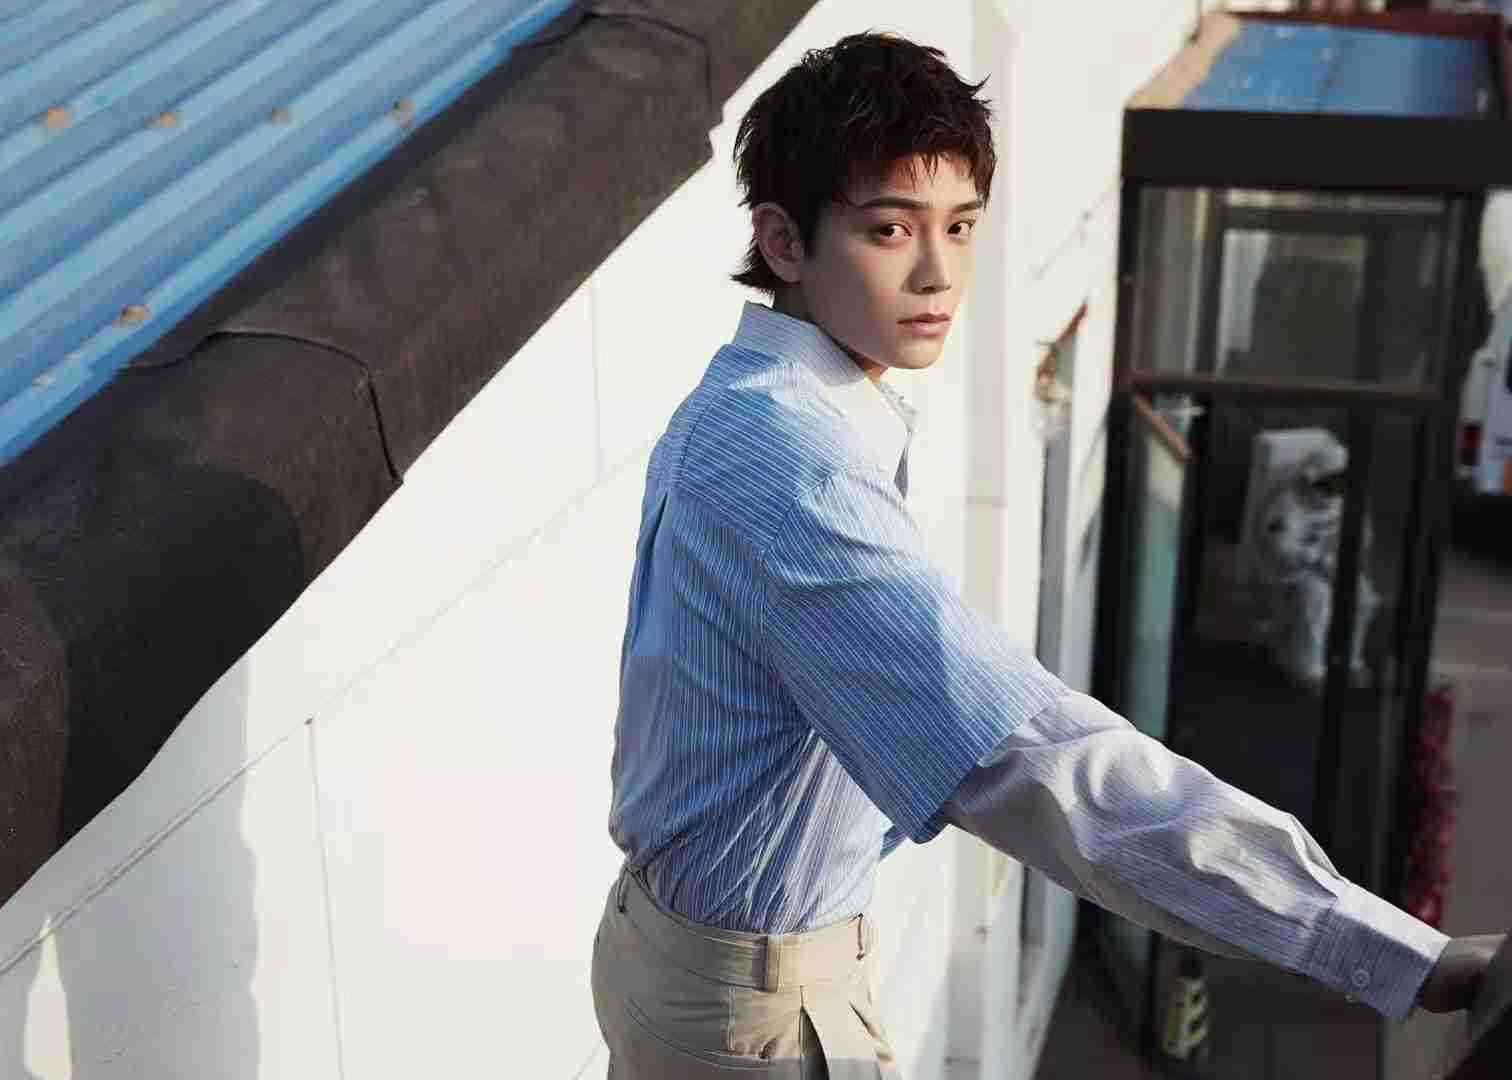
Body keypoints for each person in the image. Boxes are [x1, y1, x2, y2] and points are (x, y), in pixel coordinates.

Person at [590, 31, 1504, 1078]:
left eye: (960, 226)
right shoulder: (789, 463)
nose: (939, 274)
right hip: (748, 1010)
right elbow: (1035, 762)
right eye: (890, 229)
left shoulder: (752, 403)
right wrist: (1389, 952)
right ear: (784, 242)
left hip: (694, 964)